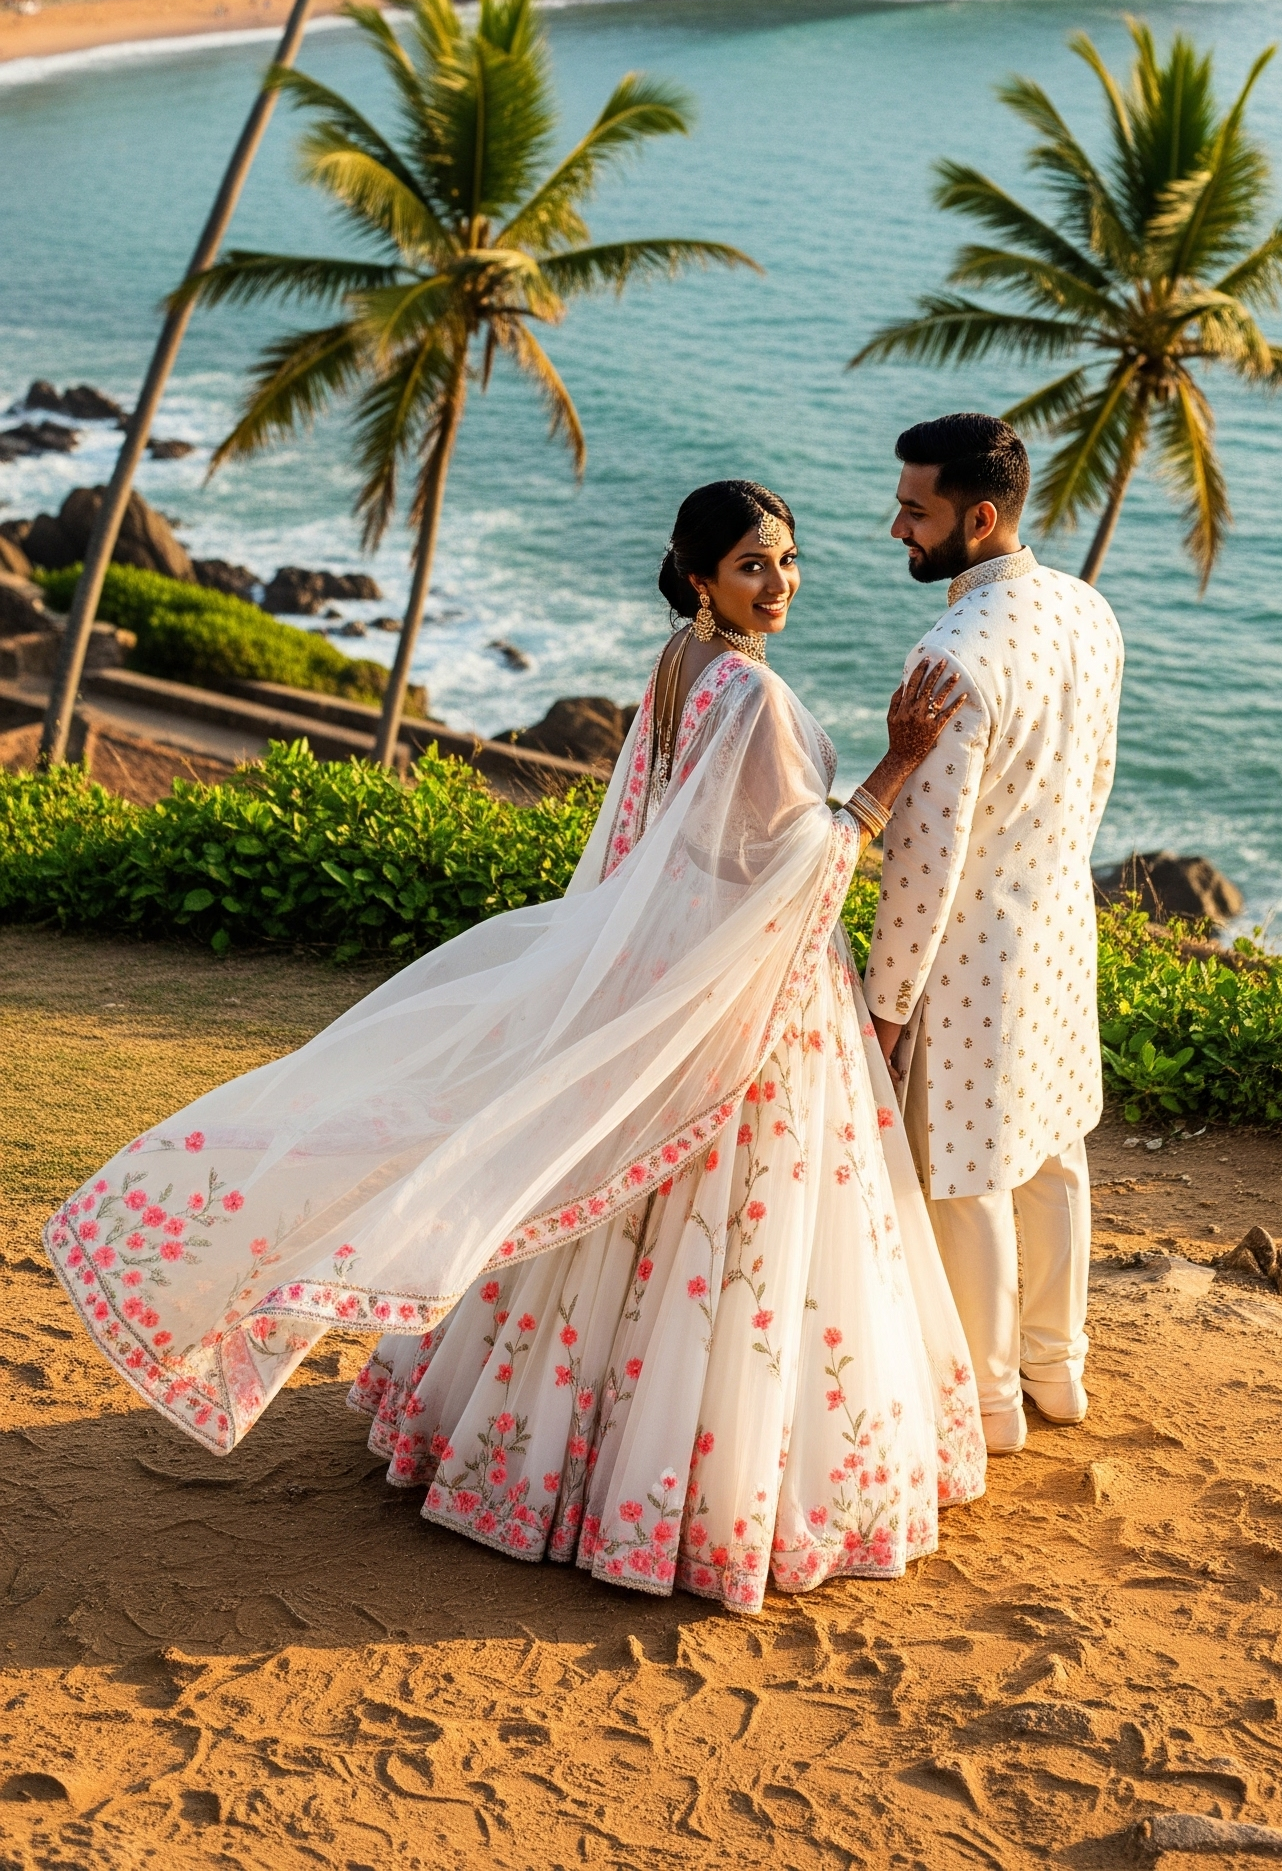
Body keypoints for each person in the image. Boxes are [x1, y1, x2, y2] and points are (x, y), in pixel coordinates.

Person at [45, 479, 986, 1616]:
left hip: (677, 970)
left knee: (612, 1219)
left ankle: (528, 1457)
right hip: (748, 1003)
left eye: (788, 560)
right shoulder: (756, 696)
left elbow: (665, 840)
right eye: (752, 565)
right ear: (702, 576)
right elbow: (797, 862)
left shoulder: (679, 665)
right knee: (723, 1246)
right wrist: (894, 766)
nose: (778, 583)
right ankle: (657, 1494)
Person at [863, 415, 1124, 1452]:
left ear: (979, 517)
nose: (896, 528)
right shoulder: (1088, 610)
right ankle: (1058, 1369)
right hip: (1060, 921)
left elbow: (921, 863)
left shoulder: (951, 657)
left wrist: (884, 1007)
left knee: (964, 1171)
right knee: (1055, 1153)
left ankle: (988, 1405)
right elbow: (1094, 779)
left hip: (973, 952)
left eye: (914, 511)